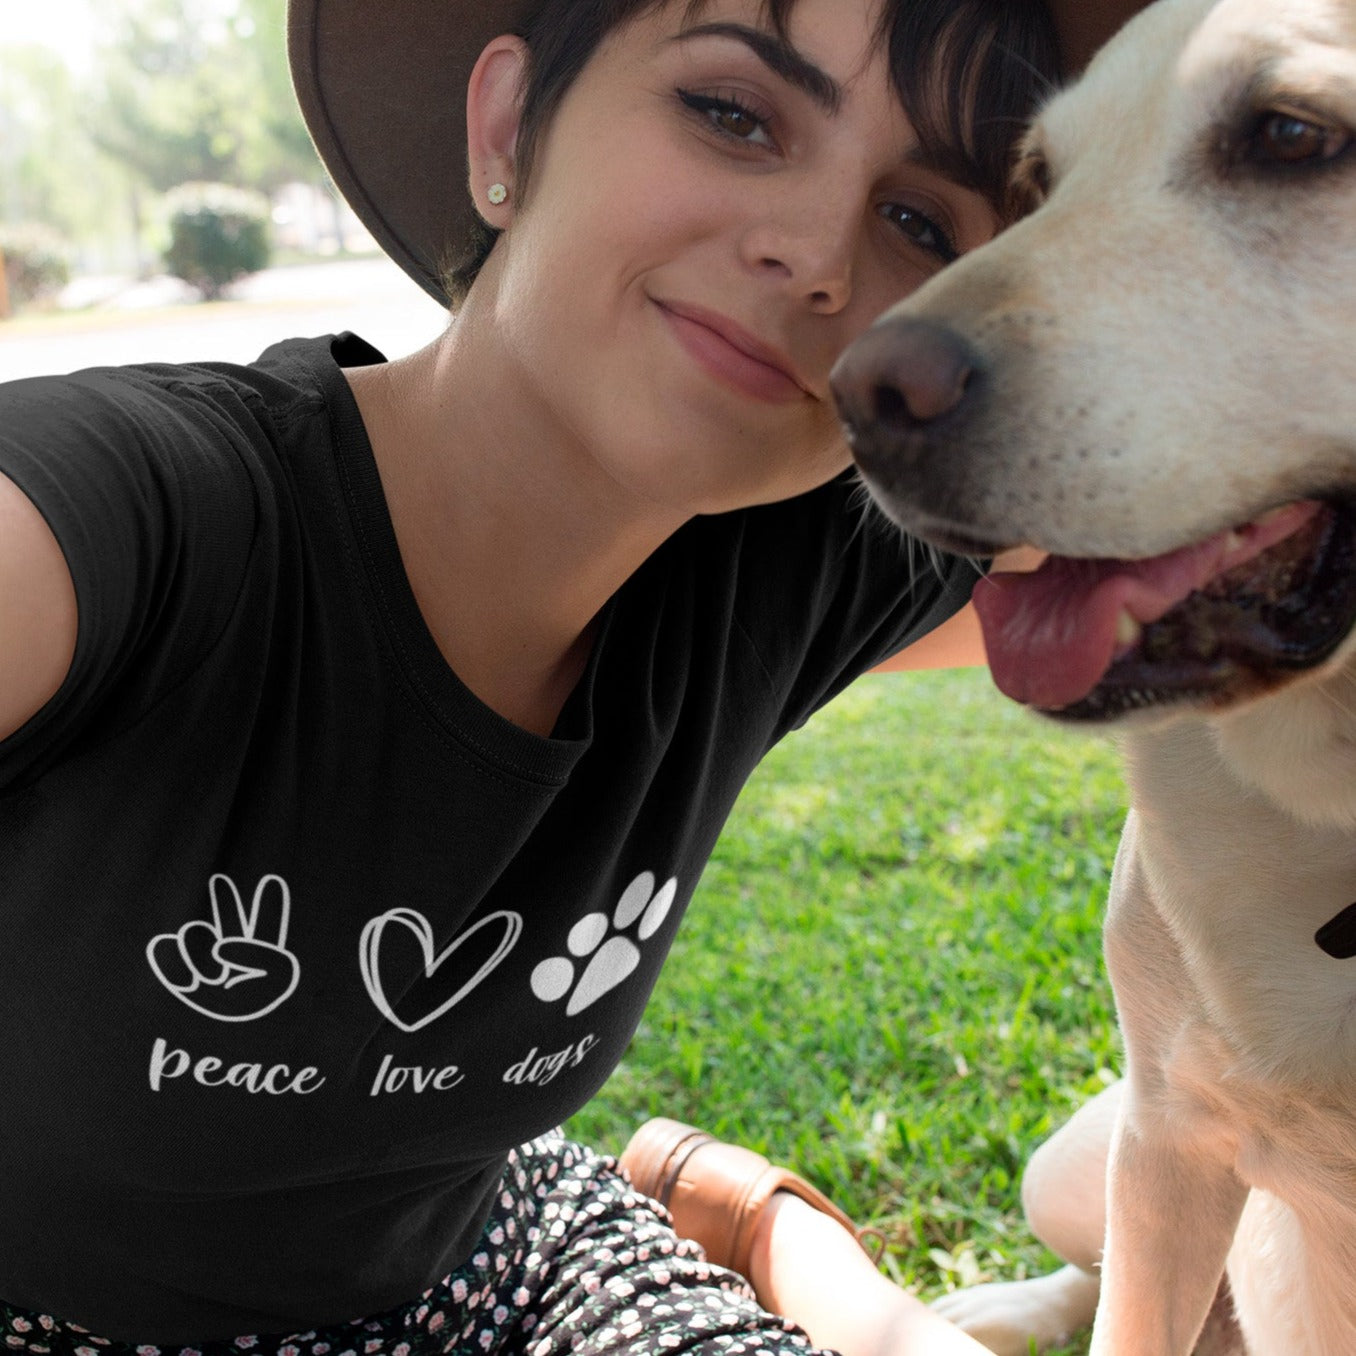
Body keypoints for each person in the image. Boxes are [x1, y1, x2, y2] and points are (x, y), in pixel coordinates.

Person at [0, 0, 1145, 1352]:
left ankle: (756, 1230)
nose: (817, 256)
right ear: (506, 128)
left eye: (920, 227)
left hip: (501, 1270)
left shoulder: (790, 576)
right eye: (733, 113)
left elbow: (1220, 502)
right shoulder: (139, 518)